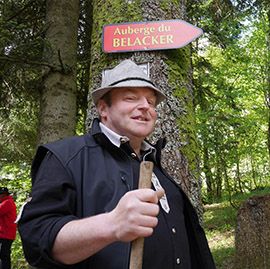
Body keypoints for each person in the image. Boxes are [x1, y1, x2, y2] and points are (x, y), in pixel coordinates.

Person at [18, 59, 215, 268]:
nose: (145, 107)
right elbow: (36, 238)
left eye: (151, 102)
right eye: (131, 98)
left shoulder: (154, 163)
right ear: (103, 109)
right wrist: (111, 225)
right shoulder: (67, 156)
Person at [0, 187, 17, 269]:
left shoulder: (7, 202)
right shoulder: (7, 202)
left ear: (3, 194)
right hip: (5, 234)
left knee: (3, 256)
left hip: (5, 234)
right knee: (3, 256)